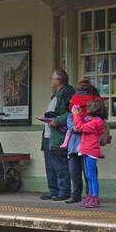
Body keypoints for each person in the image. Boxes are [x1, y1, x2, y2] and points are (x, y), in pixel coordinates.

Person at [60, 79, 100, 204]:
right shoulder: (71, 116)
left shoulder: (93, 116)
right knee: (74, 173)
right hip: (73, 147)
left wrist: (80, 121)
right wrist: (78, 119)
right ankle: (76, 195)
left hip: (86, 148)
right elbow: (74, 127)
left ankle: (91, 195)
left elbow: (82, 127)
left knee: (89, 174)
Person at [39, 70, 75, 201]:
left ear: (59, 80)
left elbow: (71, 113)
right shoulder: (56, 94)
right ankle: (53, 190)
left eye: (52, 78)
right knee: (50, 166)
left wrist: (57, 121)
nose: (51, 80)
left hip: (58, 135)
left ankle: (64, 191)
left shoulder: (67, 92)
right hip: (48, 135)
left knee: (60, 165)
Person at [70, 97, 108, 209]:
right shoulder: (93, 120)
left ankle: (94, 197)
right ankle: (90, 196)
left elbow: (79, 127)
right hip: (86, 149)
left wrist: (76, 115)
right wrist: (79, 114)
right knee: (87, 175)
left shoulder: (96, 122)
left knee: (91, 176)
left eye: (88, 107)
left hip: (91, 150)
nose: (86, 109)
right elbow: (83, 120)